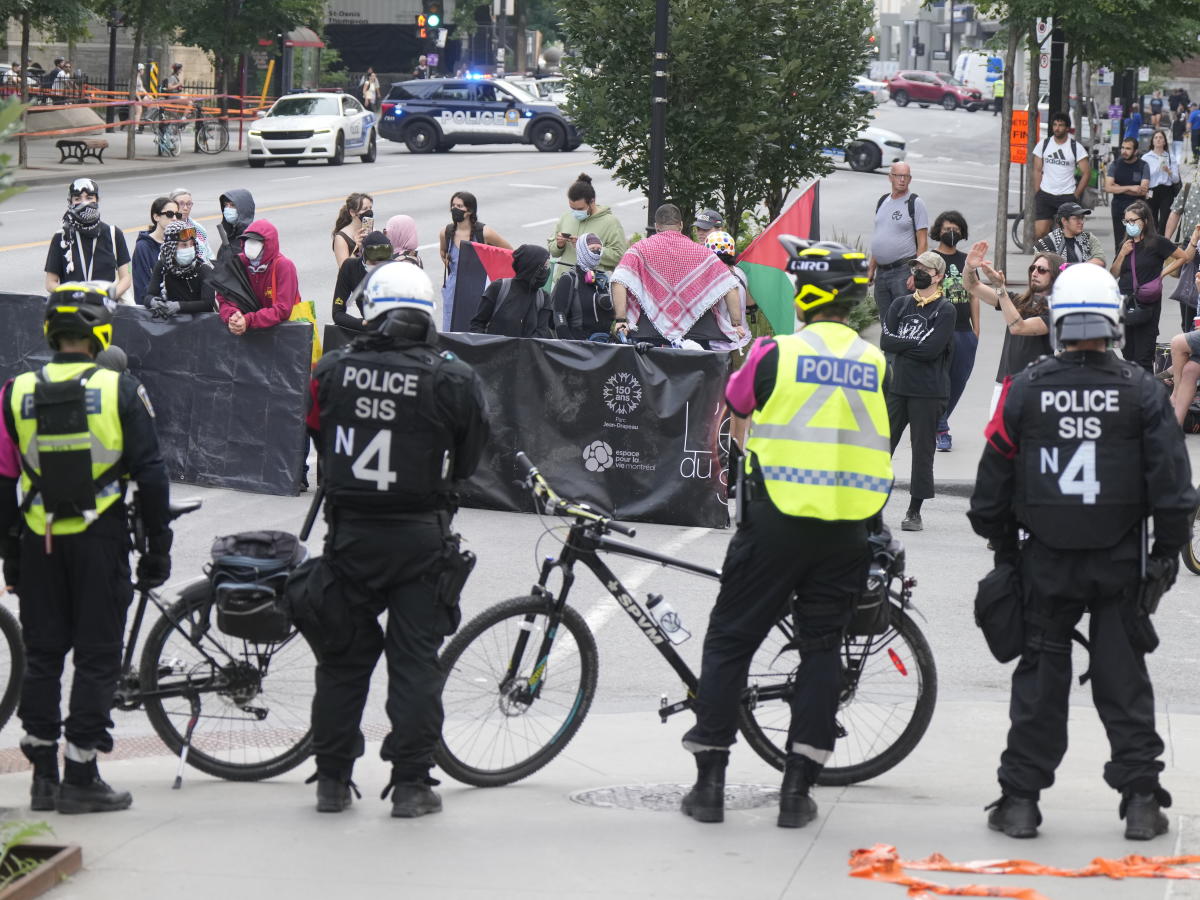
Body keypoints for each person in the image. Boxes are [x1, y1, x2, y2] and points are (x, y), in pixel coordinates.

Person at [968, 263, 1196, 842]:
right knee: (1124, 680)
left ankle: (1020, 801)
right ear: (1114, 321)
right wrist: (1166, 558)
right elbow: (1174, 489)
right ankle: (1142, 800)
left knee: (1041, 679)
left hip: (1045, 560)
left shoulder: (1025, 391)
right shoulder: (1143, 393)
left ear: (1060, 322)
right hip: (1120, 561)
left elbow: (990, 488)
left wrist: (1003, 549)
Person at [679, 240, 891, 829]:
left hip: (777, 519)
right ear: (851, 300)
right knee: (822, 648)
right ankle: (797, 792)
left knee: (730, 640)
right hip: (848, 526)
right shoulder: (874, 362)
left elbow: (736, 398)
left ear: (805, 294)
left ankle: (710, 784)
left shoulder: (777, 352)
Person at [304, 261, 488, 816]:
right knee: (414, 662)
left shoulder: (333, 369)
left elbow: (316, 430)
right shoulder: (452, 377)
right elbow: (472, 454)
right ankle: (411, 784)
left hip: (351, 535)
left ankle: (332, 780)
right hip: (419, 536)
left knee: (341, 661)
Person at [0, 281, 172, 813]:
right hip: (99, 540)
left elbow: (7, 481)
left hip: (38, 540)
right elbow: (151, 475)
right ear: (101, 334)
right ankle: (81, 772)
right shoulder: (117, 389)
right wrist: (157, 548)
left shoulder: (16, 392)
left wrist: (11, 555)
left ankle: (43, 776)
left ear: (50, 332)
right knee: (98, 657)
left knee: (43, 654)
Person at [880, 251, 955, 532]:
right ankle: (869, 504)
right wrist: (914, 344)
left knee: (922, 453)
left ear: (938, 276)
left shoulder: (945, 310)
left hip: (929, 391)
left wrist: (905, 344)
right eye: (916, 268)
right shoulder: (900, 305)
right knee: (881, 447)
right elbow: (886, 341)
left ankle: (914, 511)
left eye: (925, 268)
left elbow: (932, 350)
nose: (918, 271)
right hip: (898, 388)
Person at [610, 204, 745, 349]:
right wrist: (736, 324)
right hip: (696, 333)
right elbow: (730, 285)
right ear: (681, 225)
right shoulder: (703, 253)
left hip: (648, 332)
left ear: (656, 226)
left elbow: (619, 279)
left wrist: (621, 319)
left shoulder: (639, 250)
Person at [964, 242, 1062, 414]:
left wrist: (1001, 289)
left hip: (1035, 387)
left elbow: (1018, 327)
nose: (1035, 273)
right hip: (1004, 384)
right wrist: (969, 267)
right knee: (996, 440)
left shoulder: (1056, 311)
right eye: (1033, 268)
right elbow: (972, 286)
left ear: (1055, 276)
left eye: (1042, 270)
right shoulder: (1017, 300)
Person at [1111, 199, 1187, 372]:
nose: (1129, 225)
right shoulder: (1125, 244)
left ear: (1144, 221)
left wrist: (1162, 274)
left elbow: (1183, 257)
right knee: (1128, 352)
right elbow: (1113, 273)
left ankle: (1145, 393)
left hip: (1147, 302)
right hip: (1125, 302)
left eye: (1133, 221)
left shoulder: (1157, 242)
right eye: (1126, 221)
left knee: (1143, 355)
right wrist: (1122, 253)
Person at [929, 212, 977, 452]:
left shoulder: (967, 260)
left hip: (964, 331)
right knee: (940, 381)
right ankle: (941, 428)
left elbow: (974, 294)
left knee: (958, 381)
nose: (952, 233)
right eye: (948, 228)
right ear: (938, 230)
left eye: (956, 229)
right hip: (938, 331)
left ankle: (938, 422)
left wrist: (976, 330)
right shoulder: (929, 259)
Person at [44, 178, 131, 299]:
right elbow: (50, 283)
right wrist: (74, 295)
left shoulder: (114, 234)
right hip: (73, 309)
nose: (84, 203)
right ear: (70, 202)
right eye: (77, 199)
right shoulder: (61, 237)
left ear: (97, 200)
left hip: (107, 309)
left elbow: (126, 278)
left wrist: (109, 296)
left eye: (89, 198)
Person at [439, 191, 511, 331]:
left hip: (478, 287)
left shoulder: (484, 233)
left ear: (470, 211)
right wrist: (447, 262)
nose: (455, 209)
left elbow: (509, 252)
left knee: (474, 326)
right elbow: (443, 251)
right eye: (453, 205)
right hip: (453, 288)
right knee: (450, 326)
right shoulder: (446, 232)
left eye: (459, 206)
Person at [868, 162, 930, 323]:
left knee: (904, 319)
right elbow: (879, 237)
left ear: (910, 179)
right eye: (898, 176)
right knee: (886, 321)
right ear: (890, 177)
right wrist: (871, 268)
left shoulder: (915, 203)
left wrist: (916, 273)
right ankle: (889, 349)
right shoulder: (883, 201)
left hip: (902, 272)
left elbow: (922, 242)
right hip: (881, 273)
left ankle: (902, 348)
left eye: (906, 176)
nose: (902, 180)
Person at [213, 221, 300, 335]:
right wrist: (232, 316)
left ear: (268, 244)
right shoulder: (237, 264)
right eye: (247, 240)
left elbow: (283, 309)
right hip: (245, 332)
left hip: (281, 334)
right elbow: (224, 298)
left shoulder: (283, 266)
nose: (249, 245)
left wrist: (249, 319)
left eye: (255, 241)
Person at [545, 173, 628, 278]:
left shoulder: (611, 222)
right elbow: (554, 252)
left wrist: (589, 249)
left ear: (592, 201)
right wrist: (559, 244)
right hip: (564, 282)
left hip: (592, 285)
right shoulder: (566, 217)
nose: (575, 212)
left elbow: (619, 257)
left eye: (580, 209)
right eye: (572, 208)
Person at [470, 244, 555, 337]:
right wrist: (486, 347)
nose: (547, 270)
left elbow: (541, 334)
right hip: (493, 350)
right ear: (531, 266)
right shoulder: (498, 288)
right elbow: (477, 324)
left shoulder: (544, 298)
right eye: (545, 266)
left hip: (526, 351)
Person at [1032, 112, 1090, 242]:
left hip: (1067, 195)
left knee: (1066, 235)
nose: (1057, 128)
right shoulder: (1044, 144)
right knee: (1040, 233)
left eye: (1061, 125)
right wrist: (1038, 191)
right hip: (1045, 194)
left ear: (1067, 128)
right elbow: (1036, 169)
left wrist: (1076, 195)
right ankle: (1044, 261)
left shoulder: (1076, 147)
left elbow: (1086, 173)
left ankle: (1063, 260)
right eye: (1055, 125)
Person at [141, 221, 216, 316]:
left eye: (191, 244)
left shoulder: (203, 269)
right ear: (171, 248)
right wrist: (153, 302)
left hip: (200, 324)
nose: (189, 248)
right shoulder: (163, 266)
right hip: (173, 324)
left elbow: (208, 304)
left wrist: (179, 306)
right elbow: (148, 295)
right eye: (184, 245)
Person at [551, 232, 615, 341]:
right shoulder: (569, 279)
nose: (596, 252)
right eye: (592, 248)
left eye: (599, 249)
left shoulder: (603, 280)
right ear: (582, 250)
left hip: (604, 347)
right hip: (579, 347)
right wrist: (570, 344)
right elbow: (559, 314)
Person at [332, 231, 394, 333]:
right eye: (373, 262)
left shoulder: (399, 270)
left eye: (383, 262)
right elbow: (337, 313)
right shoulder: (350, 267)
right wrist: (362, 324)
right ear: (363, 256)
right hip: (368, 329)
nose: (378, 267)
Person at [131, 196, 181, 303]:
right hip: (155, 308)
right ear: (156, 216)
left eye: (177, 215)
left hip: (179, 306)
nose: (174, 218)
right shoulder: (143, 246)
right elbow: (141, 284)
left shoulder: (181, 243)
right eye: (169, 214)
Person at [1107, 138, 1151, 253]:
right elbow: (1108, 187)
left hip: (1137, 209)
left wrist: (1118, 188)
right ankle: (1120, 268)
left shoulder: (1143, 165)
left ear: (1135, 151)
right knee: (1120, 241)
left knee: (1138, 241)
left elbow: (1142, 191)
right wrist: (1131, 187)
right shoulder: (1115, 164)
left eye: (1128, 148)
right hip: (1118, 207)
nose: (1124, 151)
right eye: (1123, 148)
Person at [1033, 202, 1106, 266]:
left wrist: (1071, 267)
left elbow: (1100, 261)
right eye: (1076, 218)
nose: (1081, 222)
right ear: (1064, 221)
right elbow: (1042, 268)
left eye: (1082, 218)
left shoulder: (1089, 238)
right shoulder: (1046, 243)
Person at [1144, 130, 1181, 236]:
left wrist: (1168, 171)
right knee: (1152, 219)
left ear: (1165, 141)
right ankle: (1153, 243)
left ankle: (1161, 243)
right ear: (1152, 141)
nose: (1158, 139)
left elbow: (1176, 180)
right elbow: (1144, 177)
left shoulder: (1170, 157)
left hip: (1166, 191)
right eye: (1156, 137)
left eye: (1161, 137)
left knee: (1164, 219)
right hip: (1151, 191)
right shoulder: (1146, 158)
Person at [167, 188, 212, 261]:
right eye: (181, 204)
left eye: (189, 204)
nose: (185, 208)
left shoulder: (199, 229)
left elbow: (209, 255)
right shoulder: (166, 229)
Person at [332, 193, 374, 269]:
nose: (369, 212)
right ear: (352, 212)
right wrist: (358, 247)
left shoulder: (372, 230)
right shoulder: (341, 238)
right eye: (365, 209)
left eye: (370, 208)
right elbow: (344, 269)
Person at [216, 189, 255, 257]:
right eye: (226, 205)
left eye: (232, 205)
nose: (228, 209)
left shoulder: (252, 240)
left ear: (243, 208)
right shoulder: (230, 235)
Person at [131, 63, 148, 133]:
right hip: (136, 96)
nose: (143, 71)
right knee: (138, 112)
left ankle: (145, 119)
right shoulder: (135, 78)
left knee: (151, 103)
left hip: (140, 95)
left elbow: (141, 88)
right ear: (139, 70)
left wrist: (148, 95)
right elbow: (135, 89)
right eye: (142, 70)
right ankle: (136, 128)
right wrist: (139, 99)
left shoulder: (138, 77)